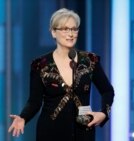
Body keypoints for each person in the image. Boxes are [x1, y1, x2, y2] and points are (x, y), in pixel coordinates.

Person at [8, 8, 115, 141]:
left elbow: (107, 91)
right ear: (53, 32)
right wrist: (23, 117)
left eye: (74, 29)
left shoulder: (89, 61)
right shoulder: (40, 65)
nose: (70, 34)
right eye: (65, 29)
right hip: (50, 132)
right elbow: (34, 101)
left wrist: (103, 113)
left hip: (83, 131)